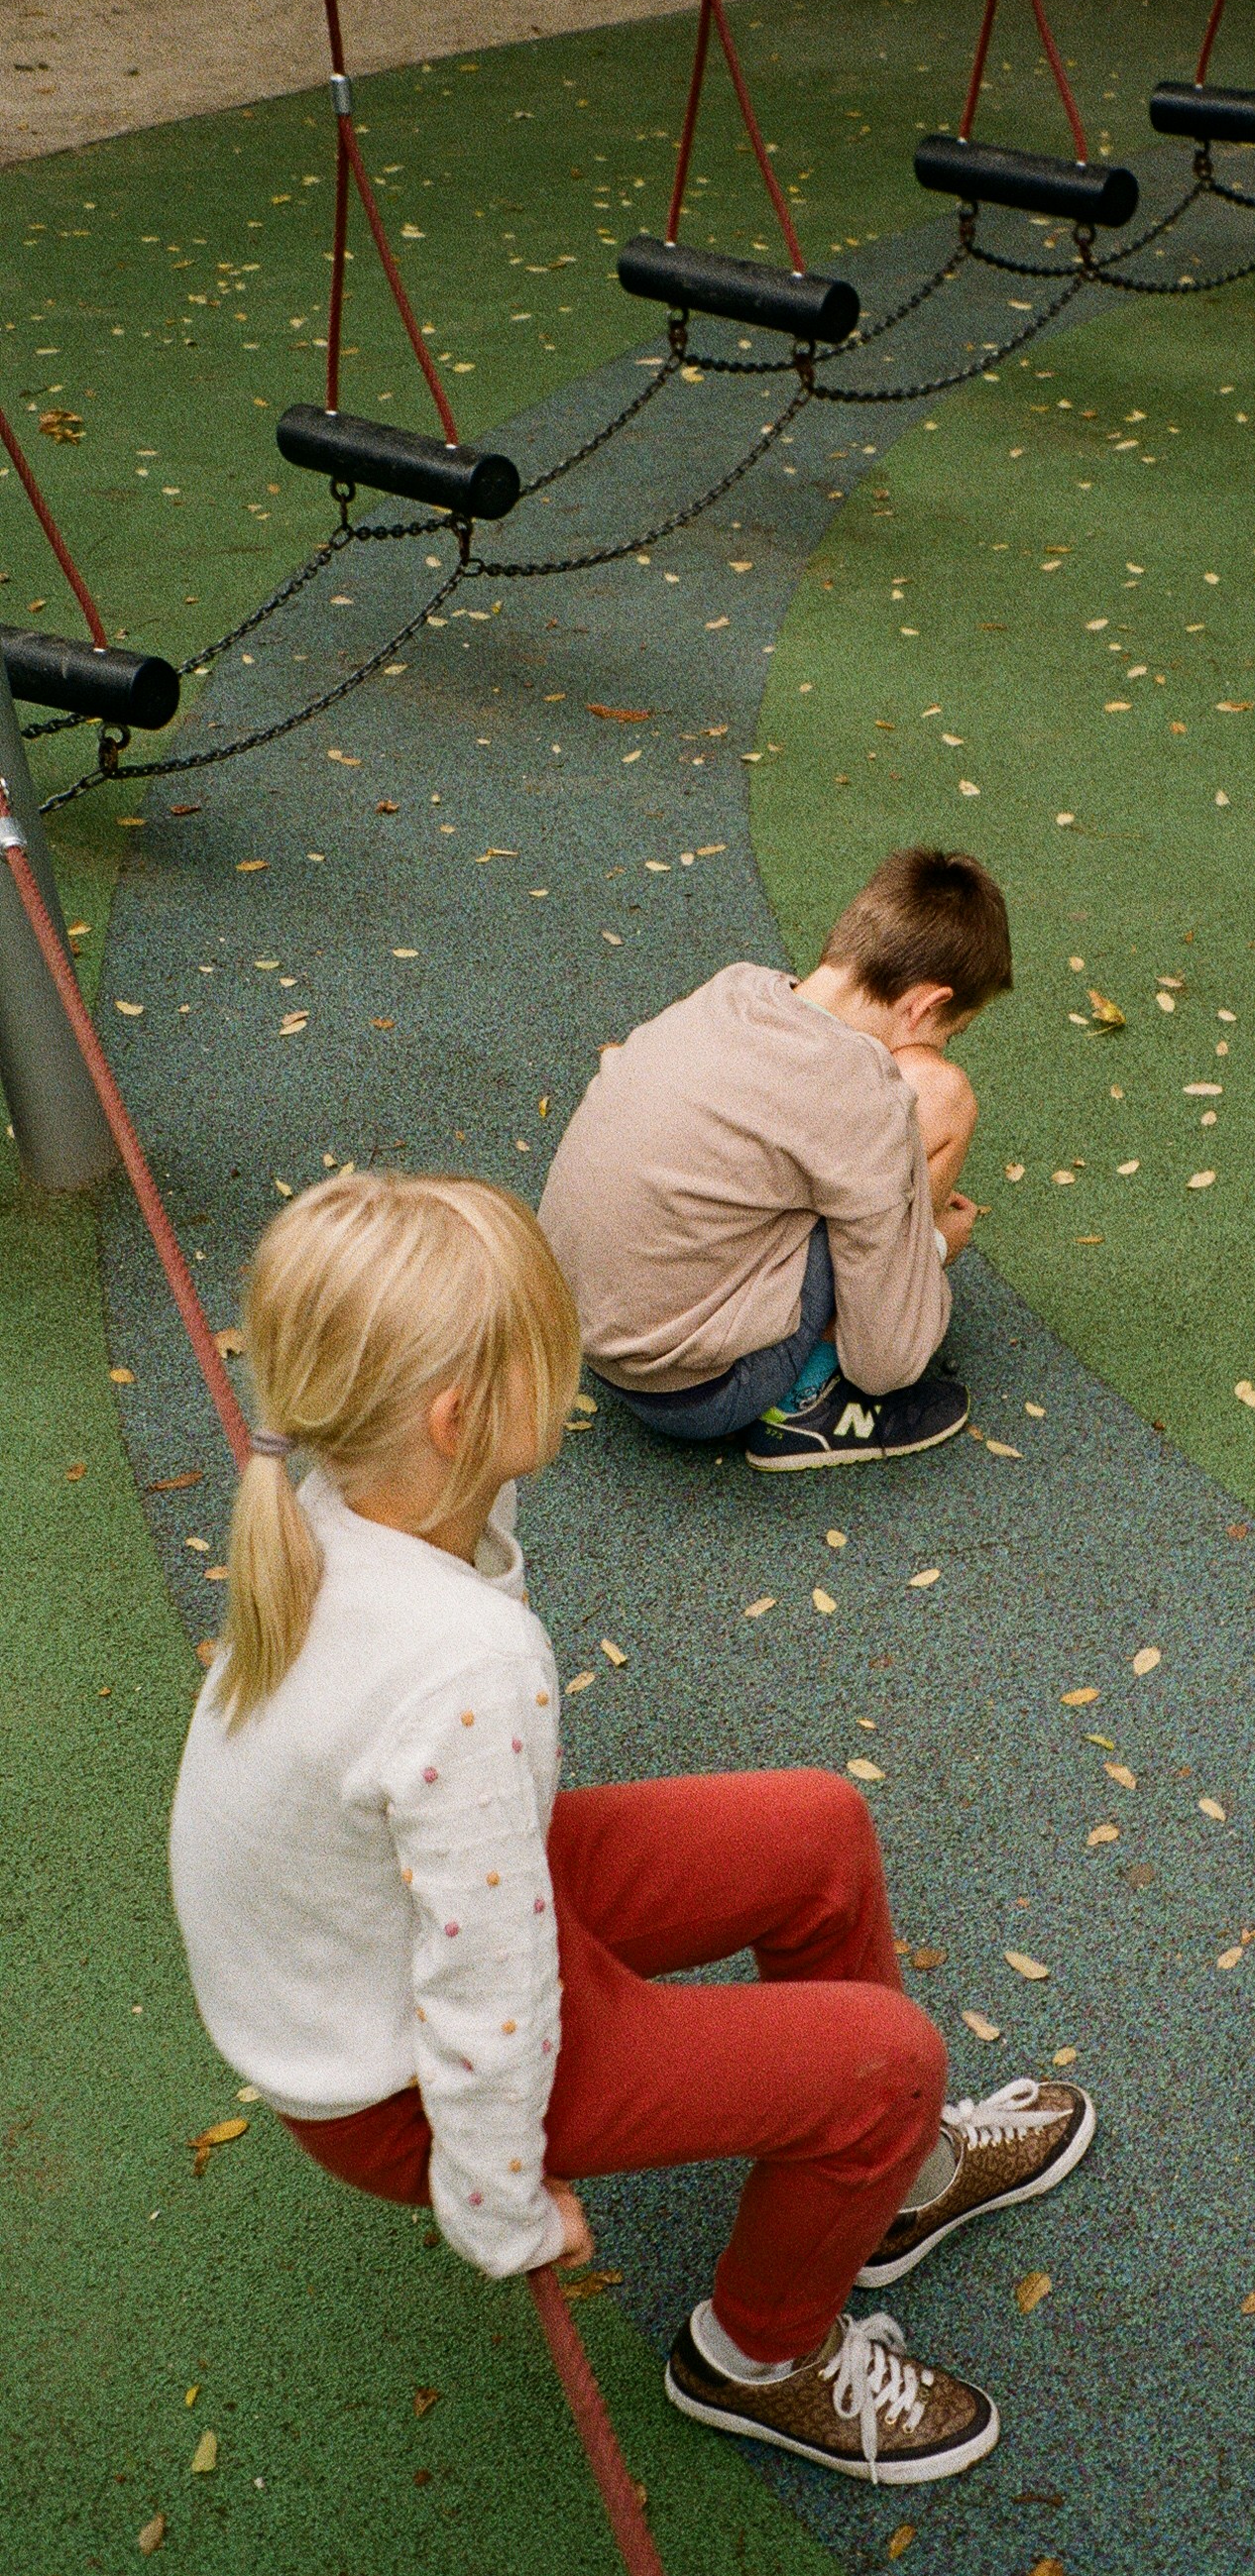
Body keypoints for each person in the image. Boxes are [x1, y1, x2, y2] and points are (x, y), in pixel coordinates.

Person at [169, 1173, 1094, 2483]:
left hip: (423, 1921)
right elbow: (487, 1993)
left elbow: (473, 1887)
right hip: (403, 2082)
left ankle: (891, 2183)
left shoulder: (346, 1500)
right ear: (453, 1418)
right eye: (554, 1354)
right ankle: (762, 2356)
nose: (578, 1374)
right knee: (888, 2059)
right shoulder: (463, 1663)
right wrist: (497, 2206)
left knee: (817, 1828)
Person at [537, 846, 1010, 1471]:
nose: (941, 1046)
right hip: (694, 1393)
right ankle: (807, 1398)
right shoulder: (862, 1095)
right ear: (924, 1004)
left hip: (570, 1328)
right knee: (944, 1097)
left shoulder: (732, 989)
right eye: (949, 1032)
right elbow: (888, 1362)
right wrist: (934, 1249)